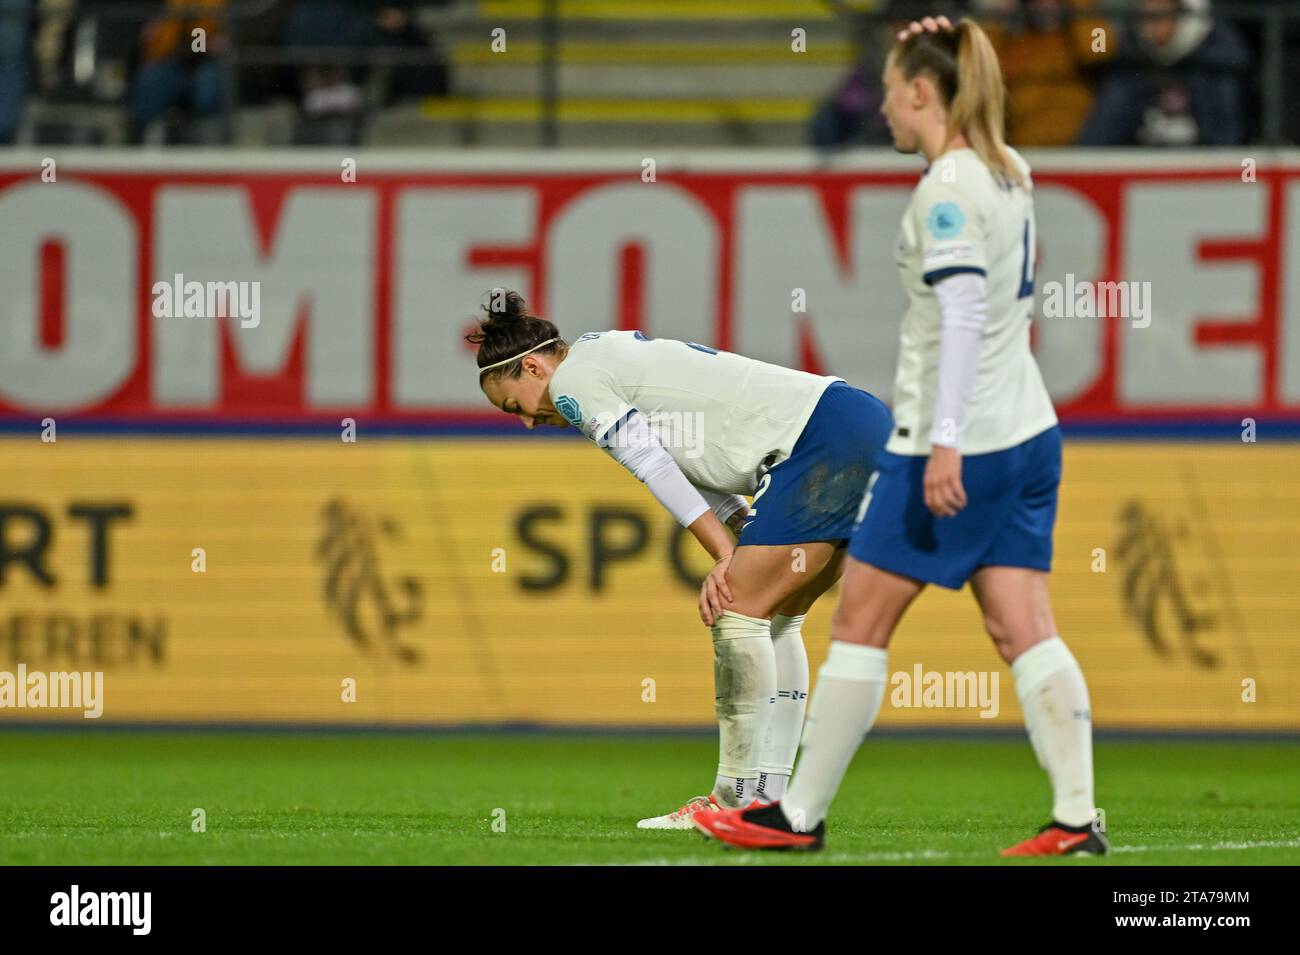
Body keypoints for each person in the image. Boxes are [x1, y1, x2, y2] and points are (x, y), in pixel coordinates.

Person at [696, 15, 1107, 856]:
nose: (879, 103)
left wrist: (945, 442)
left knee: (859, 622)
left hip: (956, 443)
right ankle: (1076, 816)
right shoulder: (1010, 171)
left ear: (923, 93)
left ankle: (794, 817)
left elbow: (959, 315)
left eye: (890, 87)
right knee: (1023, 624)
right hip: (1031, 431)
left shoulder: (946, 192)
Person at [467, 290, 892, 829]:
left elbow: (654, 467)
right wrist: (737, 534)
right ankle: (772, 802)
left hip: (820, 442)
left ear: (532, 365)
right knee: (778, 618)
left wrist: (722, 555)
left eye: (515, 405)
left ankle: (732, 802)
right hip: (853, 421)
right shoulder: (603, 354)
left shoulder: (572, 386)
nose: (527, 421)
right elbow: (688, 460)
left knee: (736, 610)